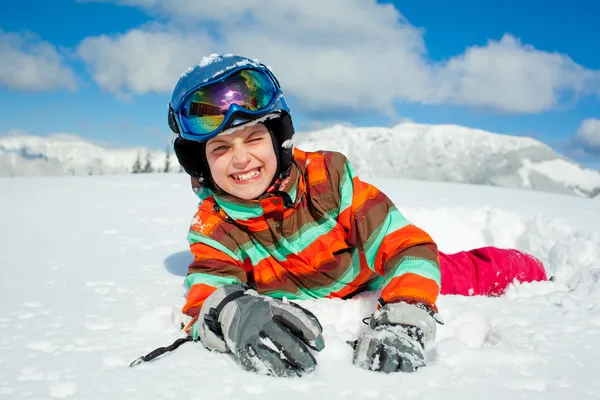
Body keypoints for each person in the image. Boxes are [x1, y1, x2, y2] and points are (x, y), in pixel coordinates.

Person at [168, 54, 547, 377]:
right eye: (220, 147)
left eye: (253, 138)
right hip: (315, 295)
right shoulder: (214, 229)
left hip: (377, 274)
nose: (241, 159)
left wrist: (406, 312)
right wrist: (232, 312)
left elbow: (406, 245)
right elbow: (207, 290)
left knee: (451, 272)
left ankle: (533, 269)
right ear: (200, 162)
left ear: (277, 138)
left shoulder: (327, 179)